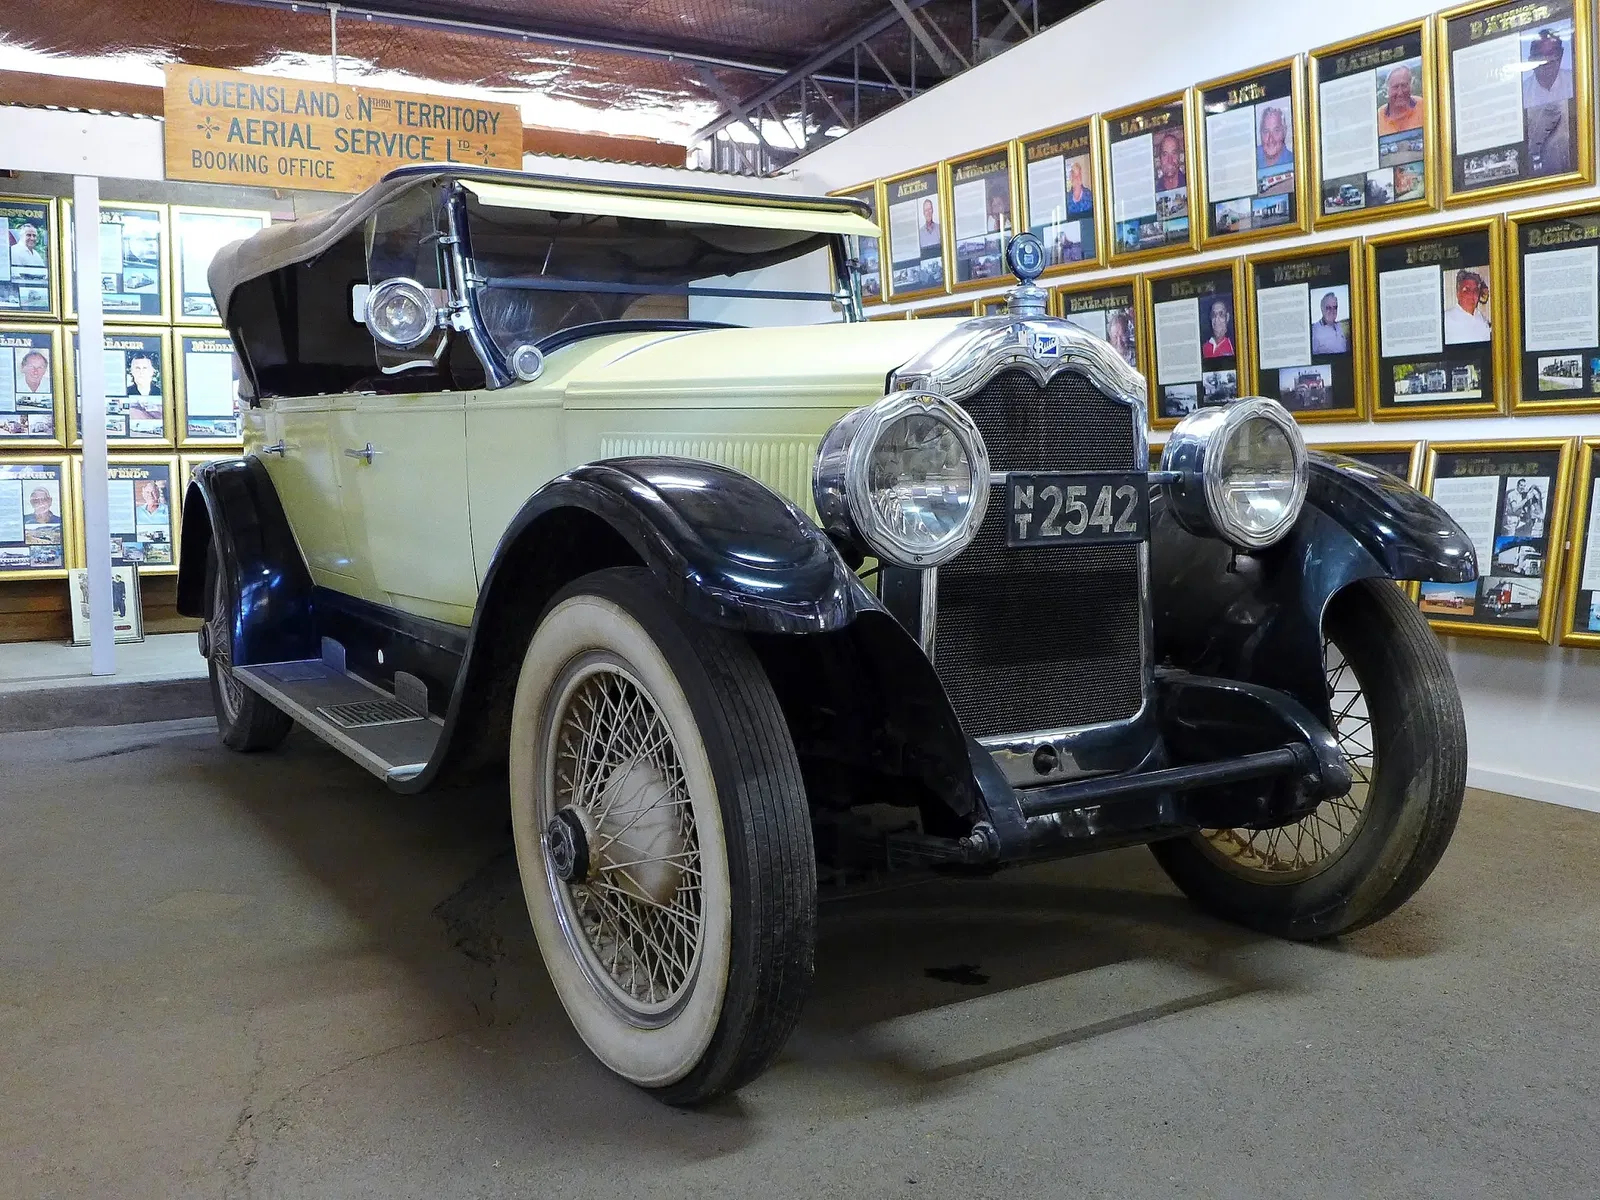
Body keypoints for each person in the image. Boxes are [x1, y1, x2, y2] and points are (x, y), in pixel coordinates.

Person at [1523, 29, 1573, 175]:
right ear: (1531, 60)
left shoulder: (1578, 83)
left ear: (1561, 55)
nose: (1548, 61)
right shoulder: (1522, 94)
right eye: (1541, 55)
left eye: (1553, 53)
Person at [1443, 270, 1492, 344]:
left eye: (1475, 290)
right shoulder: (1446, 319)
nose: (1472, 294)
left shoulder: (1482, 319)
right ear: (1458, 294)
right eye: (1466, 290)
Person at [1377, 64, 1423, 135]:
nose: (1400, 93)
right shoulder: (1379, 117)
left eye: (1404, 85)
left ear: (1410, 86)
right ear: (1387, 90)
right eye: (1395, 87)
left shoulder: (1423, 105)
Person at [1257, 106, 1293, 170]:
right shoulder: (1251, 157)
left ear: (1284, 132)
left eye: (1276, 131)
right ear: (1260, 133)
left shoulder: (1293, 162)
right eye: (1266, 131)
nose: (1270, 139)